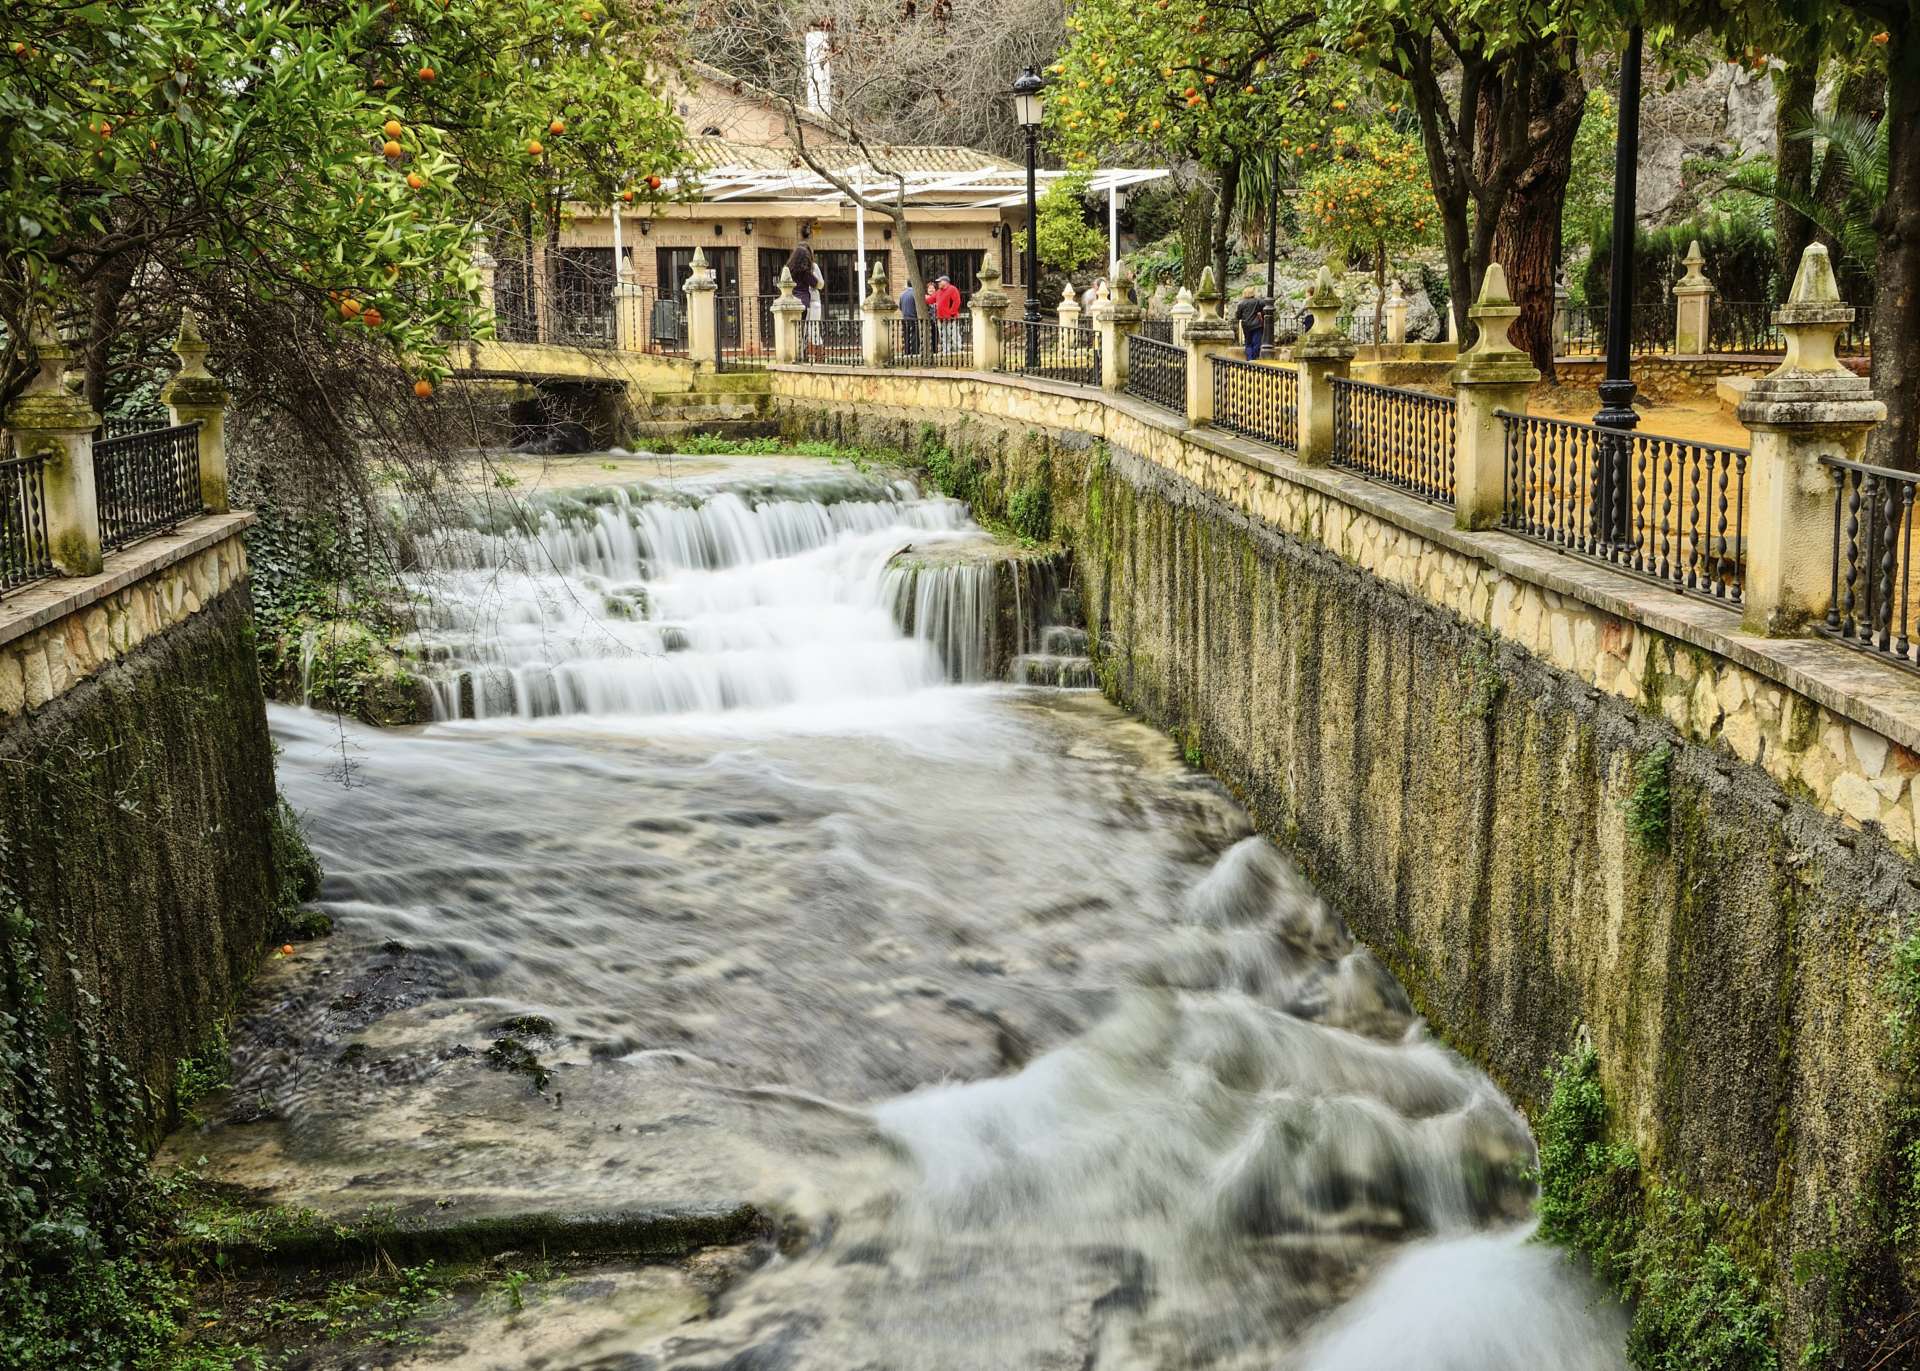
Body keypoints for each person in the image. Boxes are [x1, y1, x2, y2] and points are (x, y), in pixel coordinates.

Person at [786, 241, 824, 358]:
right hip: (805, 303)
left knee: (797, 331)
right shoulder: (805, 271)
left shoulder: (788, 269)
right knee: (809, 330)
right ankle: (814, 356)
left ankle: (799, 355)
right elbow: (818, 284)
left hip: (791, 302)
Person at [1233, 283, 1270, 361]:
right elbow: (1266, 308)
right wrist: (1261, 314)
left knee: (1248, 343)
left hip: (1246, 326)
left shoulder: (1241, 303)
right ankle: (1254, 359)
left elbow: (1238, 316)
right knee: (1256, 343)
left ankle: (1249, 360)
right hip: (1257, 325)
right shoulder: (1258, 301)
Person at [929, 274, 963, 354]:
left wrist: (951, 314)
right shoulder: (938, 291)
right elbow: (931, 300)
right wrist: (925, 297)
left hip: (950, 318)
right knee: (943, 336)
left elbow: (956, 302)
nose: (938, 283)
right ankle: (946, 351)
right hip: (940, 318)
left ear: (945, 282)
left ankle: (958, 350)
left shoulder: (952, 289)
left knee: (953, 335)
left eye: (940, 282)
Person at [899, 281, 921, 357]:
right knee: (914, 336)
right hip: (914, 318)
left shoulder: (902, 294)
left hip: (905, 318)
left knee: (906, 336)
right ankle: (915, 352)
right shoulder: (916, 293)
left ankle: (907, 352)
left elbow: (901, 307)